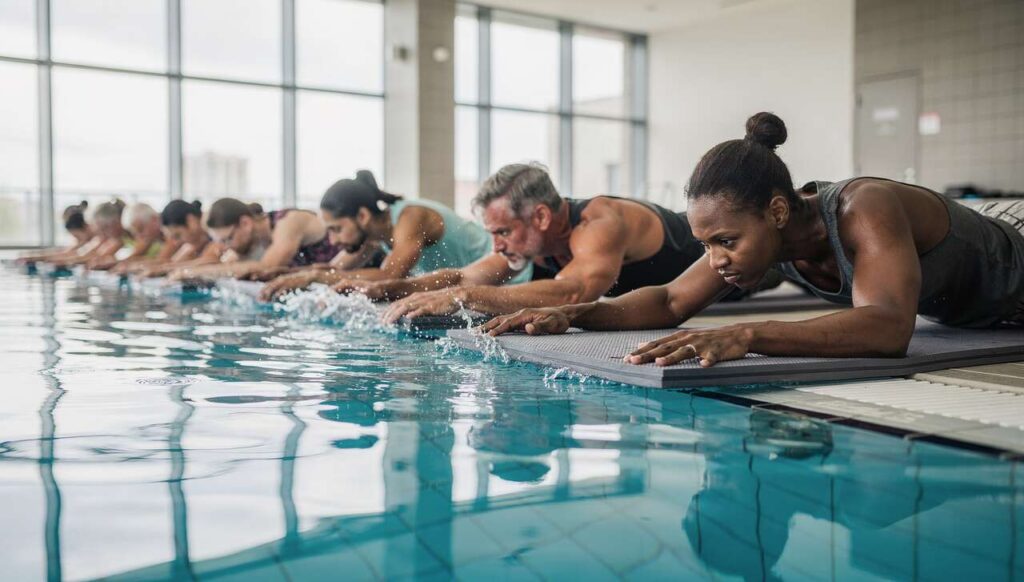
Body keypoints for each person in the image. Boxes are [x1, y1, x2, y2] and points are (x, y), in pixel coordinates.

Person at [482, 112, 1024, 368]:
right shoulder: (764, 238)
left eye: (724, 241)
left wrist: (746, 333)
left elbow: (887, 327)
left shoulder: (864, 206)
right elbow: (671, 300)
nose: (715, 259)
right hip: (987, 310)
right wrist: (578, 314)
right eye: (707, 243)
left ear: (779, 210)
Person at [379, 163, 745, 324]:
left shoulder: (599, 223)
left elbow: (573, 294)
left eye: (503, 232)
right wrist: (390, 289)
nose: (496, 244)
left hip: (725, 274)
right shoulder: (531, 240)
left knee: (770, 271)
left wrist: (464, 298)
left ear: (540, 217)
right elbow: (464, 277)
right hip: (667, 289)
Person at [258, 170, 510, 301]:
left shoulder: (411, 217)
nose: (333, 241)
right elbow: (333, 270)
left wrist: (313, 276)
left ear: (363, 216)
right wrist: (290, 276)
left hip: (512, 273)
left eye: (336, 229)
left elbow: (389, 276)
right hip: (472, 282)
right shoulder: (371, 235)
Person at [167, 199, 343, 281]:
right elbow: (225, 266)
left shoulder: (289, 222)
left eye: (228, 239)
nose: (228, 247)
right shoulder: (251, 240)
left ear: (245, 223)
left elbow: (266, 267)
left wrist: (191, 273)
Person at [134, 200, 226, 278]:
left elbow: (210, 260)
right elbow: (172, 263)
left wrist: (163, 269)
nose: (176, 243)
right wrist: (141, 266)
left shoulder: (215, 230)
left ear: (191, 221)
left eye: (177, 235)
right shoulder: (191, 244)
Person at [51, 199, 131, 268]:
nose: (104, 233)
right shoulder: (113, 238)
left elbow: (98, 255)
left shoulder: (121, 239)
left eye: (105, 228)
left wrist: (69, 261)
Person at [18, 202, 100, 264]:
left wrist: (36, 257)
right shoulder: (86, 237)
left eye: (77, 236)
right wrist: (35, 255)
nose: (77, 239)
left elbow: (70, 254)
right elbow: (66, 251)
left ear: (85, 227)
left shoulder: (98, 237)